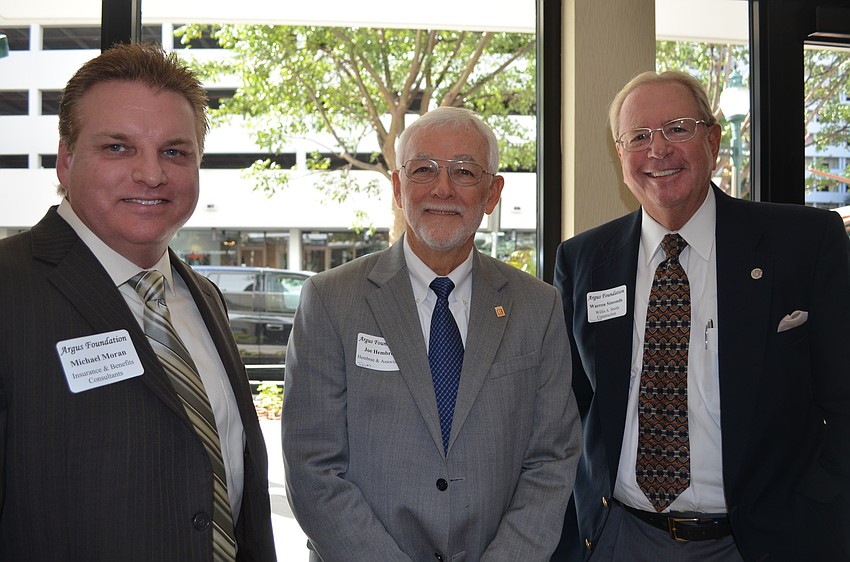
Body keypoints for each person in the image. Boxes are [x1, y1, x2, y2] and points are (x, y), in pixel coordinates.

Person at [551, 70, 850, 562]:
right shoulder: (583, 259)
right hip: (620, 536)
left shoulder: (803, 243)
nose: (658, 150)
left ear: (713, 138)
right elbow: (568, 411)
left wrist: (819, 507)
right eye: (639, 137)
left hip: (762, 540)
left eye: (677, 128)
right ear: (620, 154)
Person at [0, 43, 276, 561]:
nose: (152, 175)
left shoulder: (204, 298)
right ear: (65, 160)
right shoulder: (8, 290)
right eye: (118, 148)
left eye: (174, 151)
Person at [281, 106, 582, 561]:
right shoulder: (329, 300)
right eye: (424, 169)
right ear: (399, 187)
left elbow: (552, 460)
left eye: (464, 171)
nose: (443, 188)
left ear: (492, 192)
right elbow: (312, 466)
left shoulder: (537, 307)